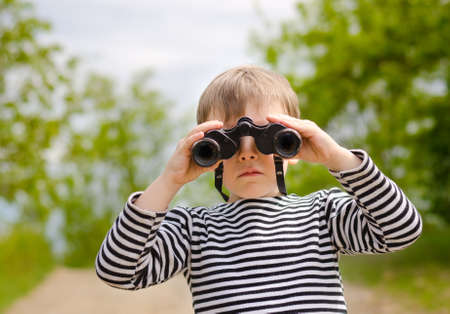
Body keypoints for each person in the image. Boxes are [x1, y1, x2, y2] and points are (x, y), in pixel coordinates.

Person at [95, 65, 422, 313]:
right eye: (228, 142)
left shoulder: (323, 214)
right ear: (208, 150)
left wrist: (338, 158)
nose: (247, 152)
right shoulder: (193, 231)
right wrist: (169, 181)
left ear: (292, 145)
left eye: (269, 137)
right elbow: (119, 271)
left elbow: (400, 230)